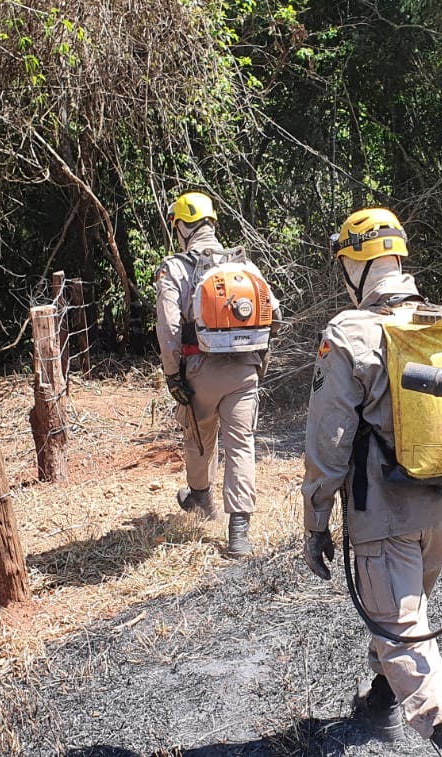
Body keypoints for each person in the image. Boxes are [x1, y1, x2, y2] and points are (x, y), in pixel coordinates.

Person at [300, 207, 442, 757]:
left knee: (401, 628)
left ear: (355, 265)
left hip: (383, 512)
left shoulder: (349, 332)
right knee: (401, 611)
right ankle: (378, 700)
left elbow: (329, 440)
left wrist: (316, 521)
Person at [153, 190, 276, 558]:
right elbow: (275, 314)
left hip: (199, 369)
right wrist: (258, 361)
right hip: (244, 370)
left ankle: (202, 500)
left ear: (181, 227)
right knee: (242, 444)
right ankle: (238, 534)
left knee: (200, 439)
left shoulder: (174, 268)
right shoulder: (244, 266)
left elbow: (168, 327)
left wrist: (174, 375)